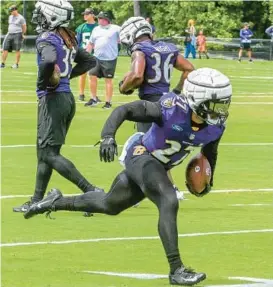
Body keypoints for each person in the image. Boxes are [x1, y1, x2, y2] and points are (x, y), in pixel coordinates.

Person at [23, 67, 232, 286]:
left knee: (109, 205)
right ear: (196, 98)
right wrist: (107, 137)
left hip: (157, 165)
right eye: (216, 104)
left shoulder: (215, 127)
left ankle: (54, 202)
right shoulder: (170, 109)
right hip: (142, 155)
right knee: (168, 200)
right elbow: (124, 110)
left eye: (224, 103)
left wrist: (209, 180)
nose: (222, 110)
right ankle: (176, 269)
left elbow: (209, 153)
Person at [13, 0, 102, 213]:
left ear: (52, 16)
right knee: (45, 152)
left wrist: (43, 83)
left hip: (53, 99)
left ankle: (91, 191)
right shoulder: (66, 38)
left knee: (50, 154)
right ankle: (36, 200)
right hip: (65, 98)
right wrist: (66, 76)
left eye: (41, 14)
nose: (38, 17)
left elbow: (48, 60)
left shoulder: (47, 38)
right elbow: (90, 61)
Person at [119, 17, 194, 201]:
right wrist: (176, 92)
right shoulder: (166, 48)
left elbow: (137, 76)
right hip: (167, 103)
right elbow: (189, 69)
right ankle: (155, 188)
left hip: (149, 103)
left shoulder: (140, 50)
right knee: (154, 148)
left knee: (141, 149)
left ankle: (160, 190)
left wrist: (124, 87)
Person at [85, 11, 120, 109]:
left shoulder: (116, 29)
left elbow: (123, 38)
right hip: (96, 57)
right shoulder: (96, 29)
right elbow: (91, 43)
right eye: (98, 18)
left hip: (110, 58)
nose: (98, 20)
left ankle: (108, 102)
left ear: (106, 19)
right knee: (92, 75)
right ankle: (93, 99)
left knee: (108, 80)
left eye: (100, 18)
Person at [75, 8, 98, 102]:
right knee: (82, 74)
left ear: (92, 15)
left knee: (93, 75)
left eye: (87, 14)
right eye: (84, 14)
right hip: (84, 53)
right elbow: (78, 41)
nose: (84, 16)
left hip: (94, 53)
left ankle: (94, 96)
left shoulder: (98, 27)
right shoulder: (81, 27)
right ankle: (81, 94)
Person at [1, 5, 27, 69]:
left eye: (12, 11)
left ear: (15, 10)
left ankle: (16, 64)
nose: (11, 12)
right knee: (5, 48)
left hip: (17, 34)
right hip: (9, 34)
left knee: (17, 50)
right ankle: (2, 63)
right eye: (10, 11)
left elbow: (24, 27)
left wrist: (22, 34)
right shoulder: (10, 16)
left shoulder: (21, 18)